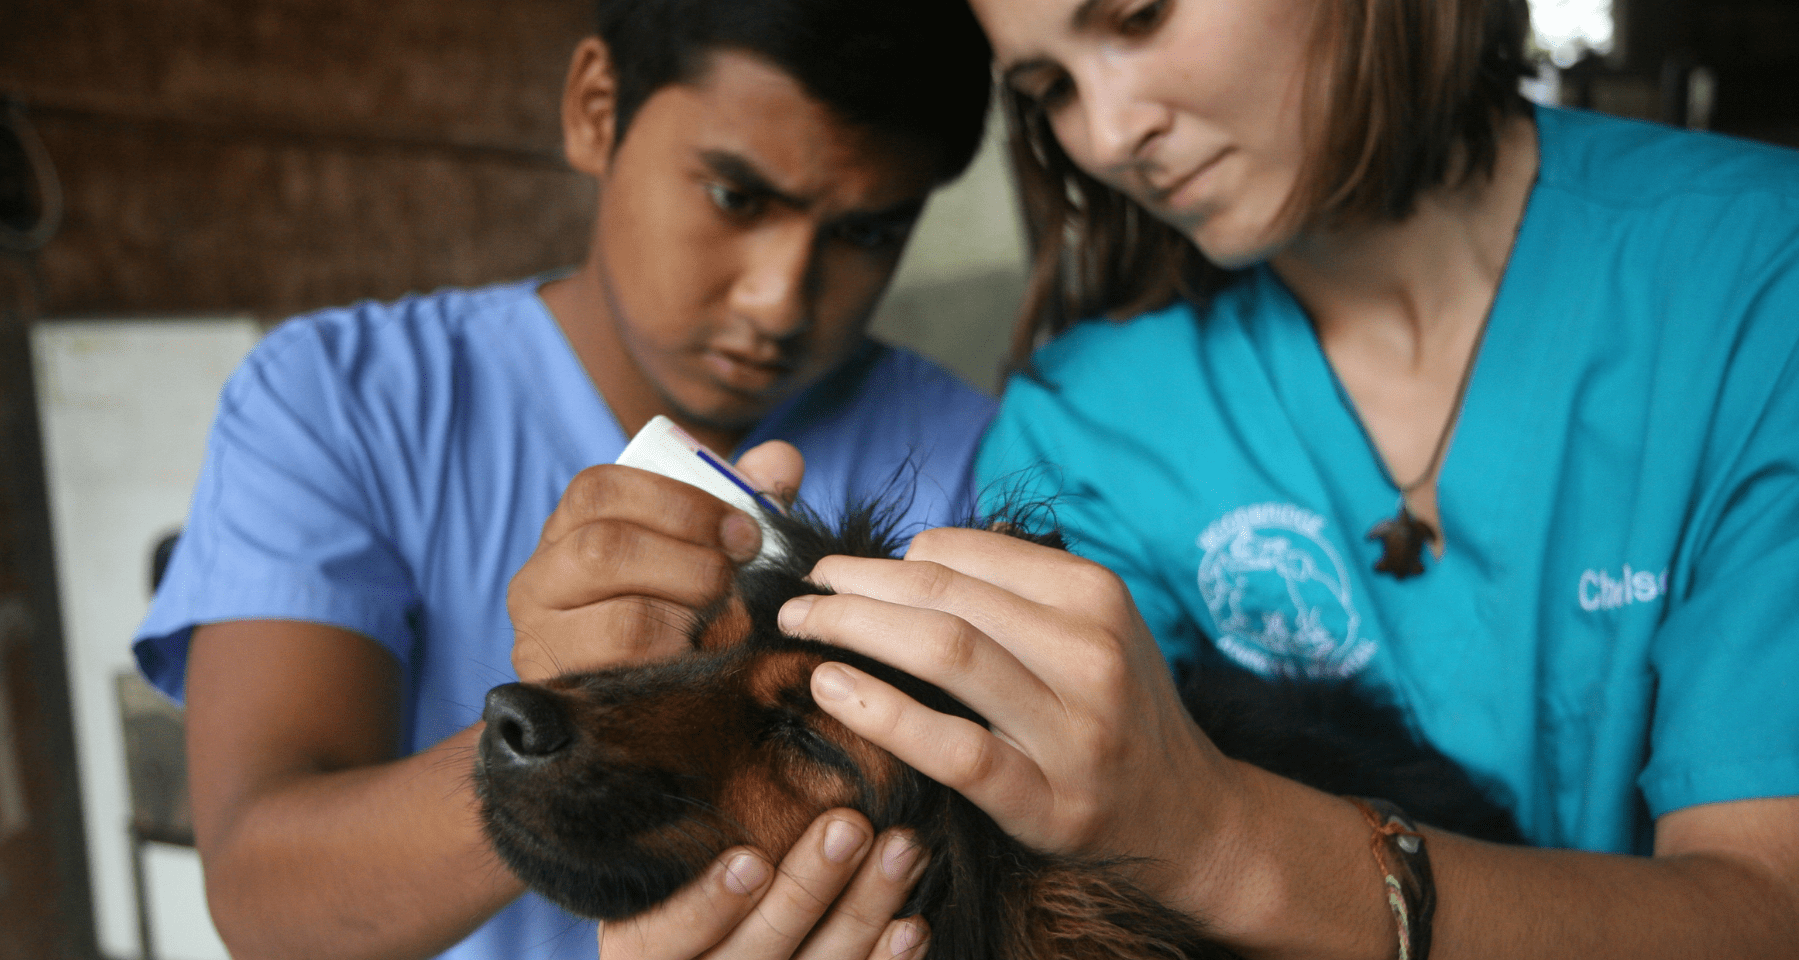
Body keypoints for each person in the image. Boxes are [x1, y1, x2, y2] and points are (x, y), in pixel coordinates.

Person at [582, 0, 1799, 957]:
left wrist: (1222, 839)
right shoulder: (1081, 426)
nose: (1108, 135)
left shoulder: (1753, 281)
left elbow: (1769, 914)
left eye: (1140, 14)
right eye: (1047, 88)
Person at [131, 1, 997, 958]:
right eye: (736, 198)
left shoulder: (973, 459)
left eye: (867, 232)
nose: (778, 297)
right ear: (595, 109)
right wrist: (577, 715)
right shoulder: (340, 401)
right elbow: (266, 902)